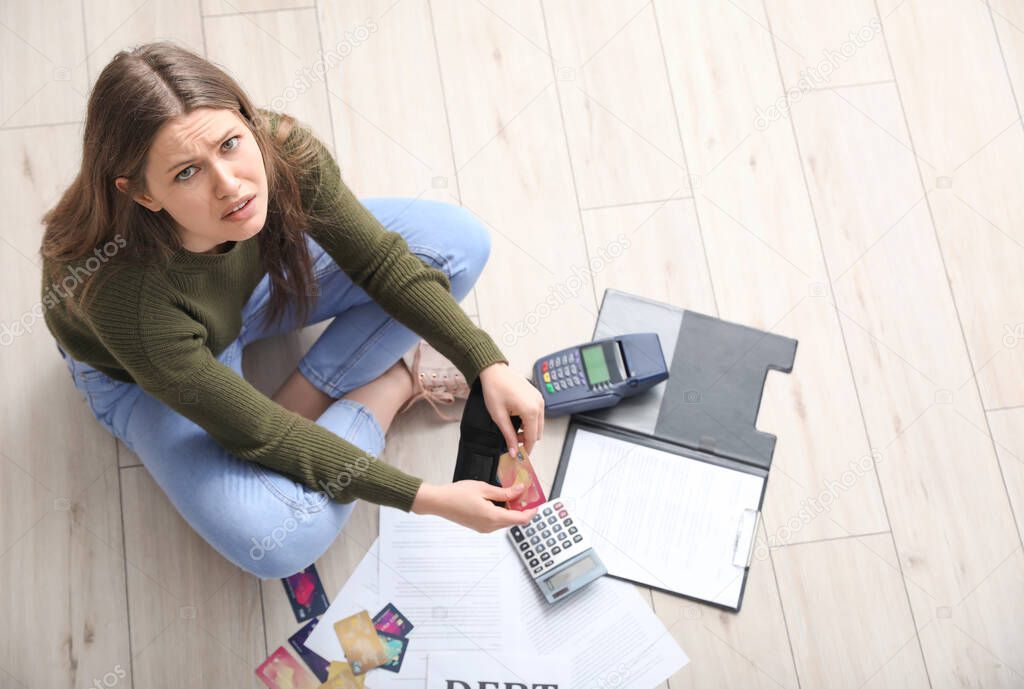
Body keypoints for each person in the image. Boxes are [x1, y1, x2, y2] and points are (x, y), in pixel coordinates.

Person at [38, 41, 545, 579]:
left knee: (459, 242)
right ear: (142, 194)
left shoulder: (279, 147)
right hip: (143, 374)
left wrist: (487, 363)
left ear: (246, 121)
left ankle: (306, 395)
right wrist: (428, 497)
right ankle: (394, 383)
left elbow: (377, 262)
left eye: (231, 143)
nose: (230, 185)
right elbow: (260, 433)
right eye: (187, 173)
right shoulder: (124, 295)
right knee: (275, 542)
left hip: (246, 293)